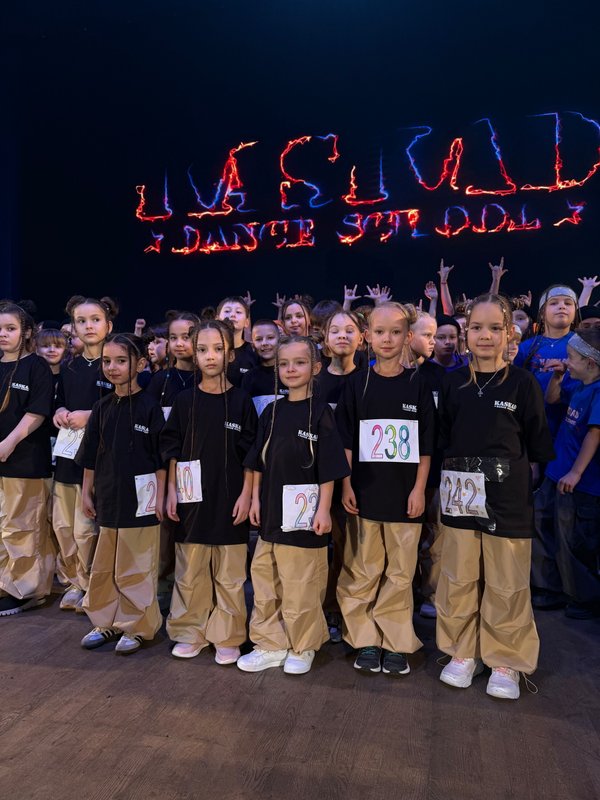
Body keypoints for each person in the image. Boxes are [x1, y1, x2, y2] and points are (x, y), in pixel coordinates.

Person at [436, 294, 554, 700]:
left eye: (494, 328)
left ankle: (506, 660)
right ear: (465, 334)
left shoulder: (522, 383)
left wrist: (524, 488)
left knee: (507, 581)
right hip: (459, 496)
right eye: (476, 328)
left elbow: (537, 445)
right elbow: (443, 437)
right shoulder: (452, 383)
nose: (485, 335)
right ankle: (462, 651)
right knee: (458, 576)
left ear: (509, 334)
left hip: (508, 498)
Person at [238, 335, 349, 675]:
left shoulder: (322, 414)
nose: (290, 369)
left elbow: (329, 468)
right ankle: (270, 643)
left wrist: (324, 509)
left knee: (301, 584)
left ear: (315, 368)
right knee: (266, 580)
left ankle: (303, 645)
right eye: (284, 364)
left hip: (305, 517)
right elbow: (257, 461)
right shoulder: (272, 411)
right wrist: (254, 499)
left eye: (299, 363)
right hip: (271, 513)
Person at [335, 302, 435, 675]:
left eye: (395, 332)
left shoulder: (419, 384)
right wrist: (346, 484)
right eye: (379, 332)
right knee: (363, 568)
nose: (387, 339)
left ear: (408, 337)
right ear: (367, 337)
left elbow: (426, 445)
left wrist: (419, 489)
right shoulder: (355, 384)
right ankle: (365, 638)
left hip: (405, 496)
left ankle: (395, 642)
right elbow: (346, 441)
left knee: (400, 572)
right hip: (364, 493)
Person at [161, 320, 257, 664]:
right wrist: (171, 491)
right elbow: (171, 447)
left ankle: (228, 635)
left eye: (218, 349)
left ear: (230, 354)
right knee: (190, 571)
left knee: (230, 575)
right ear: (194, 354)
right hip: (191, 499)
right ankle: (190, 631)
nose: (210, 356)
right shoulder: (184, 400)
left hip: (231, 498)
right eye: (203, 350)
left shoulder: (242, 401)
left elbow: (251, 454)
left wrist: (247, 495)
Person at [78, 333, 166, 654]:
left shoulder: (150, 407)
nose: (112, 367)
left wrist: (161, 496)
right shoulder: (101, 407)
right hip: (108, 498)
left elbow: (161, 459)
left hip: (141, 500)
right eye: (106, 361)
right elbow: (90, 456)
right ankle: (105, 621)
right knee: (104, 565)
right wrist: (86, 493)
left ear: (140, 364)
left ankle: (137, 626)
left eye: (120, 361)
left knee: (136, 565)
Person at [52, 295, 118, 612]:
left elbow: (124, 405)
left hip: (99, 460)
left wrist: (89, 415)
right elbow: (60, 401)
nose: (88, 326)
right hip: (67, 456)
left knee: (86, 528)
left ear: (108, 325)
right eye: (81, 321)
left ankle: (93, 584)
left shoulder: (115, 363)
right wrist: (61, 411)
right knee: (63, 526)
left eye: (95, 320)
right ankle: (74, 582)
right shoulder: (71, 367)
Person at [538, 329, 600, 619]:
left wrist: (576, 472)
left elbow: (594, 433)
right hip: (556, 471)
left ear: (591, 363)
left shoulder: (597, 391)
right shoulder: (578, 383)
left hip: (581, 484)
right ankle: (552, 588)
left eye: (572, 358)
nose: (566, 361)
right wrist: (558, 376)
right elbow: (552, 399)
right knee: (545, 526)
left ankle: (584, 600)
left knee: (573, 542)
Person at [0, 302, 56, 616]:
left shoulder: (37, 366)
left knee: (22, 527)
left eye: (10, 328)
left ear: (26, 332)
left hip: (25, 460)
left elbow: (37, 411)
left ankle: (25, 590)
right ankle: (4, 583)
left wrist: (9, 443)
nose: (3, 334)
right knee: (2, 526)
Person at [314, 310, 364, 642]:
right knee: (321, 549)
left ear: (361, 337)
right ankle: (323, 610)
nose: (342, 336)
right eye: (335, 330)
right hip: (317, 479)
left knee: (350, 550)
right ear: (325, 338)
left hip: (356, 479)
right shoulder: (316, 381)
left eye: (349, 330)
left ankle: (346, 612)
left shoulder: (368, 379)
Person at [406, 312, 445, 619]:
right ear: (409, 335)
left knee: (433, 536)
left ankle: (430, 592)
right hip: (396, 473)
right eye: (427, 335)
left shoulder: (439, 375)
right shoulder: (380, 374)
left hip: (432, 470)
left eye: (435, 335)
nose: (434, 341)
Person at [241, 318, 287, 416]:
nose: (264, 343)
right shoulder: (249, 377)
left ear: (279, 340)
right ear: (252, 345)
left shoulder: (290, 373)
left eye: (270, 338)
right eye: (259, 339)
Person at [217, 296, 259, 387]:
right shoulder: (210, 351)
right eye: (227, 311)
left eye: (238, 312)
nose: (232, 315)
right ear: (217, 319)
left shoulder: (253, 352)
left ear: (247, 322)